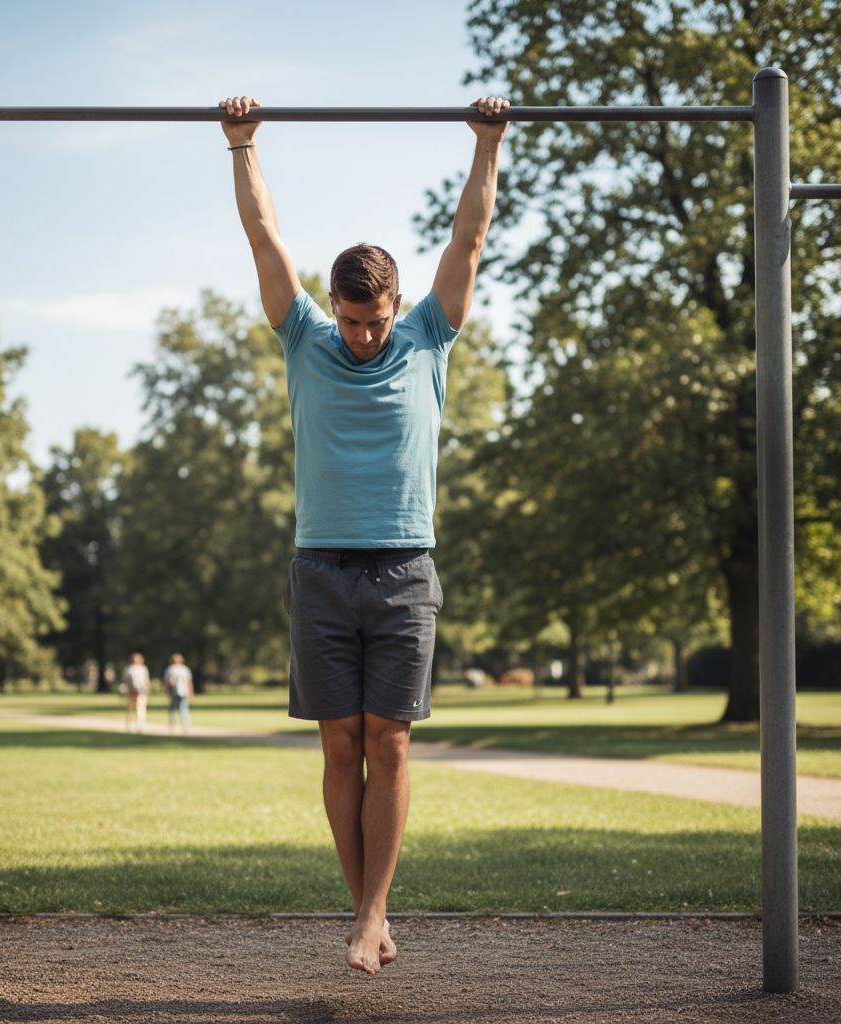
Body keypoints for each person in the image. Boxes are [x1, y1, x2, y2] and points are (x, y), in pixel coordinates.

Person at [219, 92, 509, 975]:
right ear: (334, 308)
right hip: (320, 570)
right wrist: (242, 144)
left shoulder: (428, 336)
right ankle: (366, 914)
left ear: (395, 304)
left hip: (404, 570)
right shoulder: (304, 337)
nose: (363, 335)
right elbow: (265, 239)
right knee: (340, 744)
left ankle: (373, 913)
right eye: (351, 320)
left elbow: (467, 239)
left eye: (375, 319)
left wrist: (487, 143)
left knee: (391, 741)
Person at [163, 652, 193, 733]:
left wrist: (190, 691)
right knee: (178, 709)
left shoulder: (174, 669)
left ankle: (180, 726)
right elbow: (167, 682)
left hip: (179, 691)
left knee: (179, 709)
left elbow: (188, 681)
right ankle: (178, 726)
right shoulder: (181, 669)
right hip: (178, 691)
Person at [121, 652, 151, 733]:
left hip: (142, 690)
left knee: (141, 707)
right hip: (132, 690)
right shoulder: (128, 669)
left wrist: (148, 689)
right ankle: (129, 724)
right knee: (131, 708)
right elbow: (125, 680)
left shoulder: (143, 668)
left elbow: (146, 679)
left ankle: (140, 725)